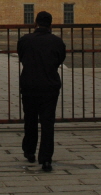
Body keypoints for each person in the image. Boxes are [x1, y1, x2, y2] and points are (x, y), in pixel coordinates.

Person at [17, 11, 66, 172]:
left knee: (30, 119)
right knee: (47, 123)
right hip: (49, 86)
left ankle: (29, 151)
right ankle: (45, 159)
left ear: (35, 23)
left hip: (29, 85)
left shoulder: (25, 40)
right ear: (51, 25)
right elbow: (59, 60)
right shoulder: (57, 42)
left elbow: (22, 57)